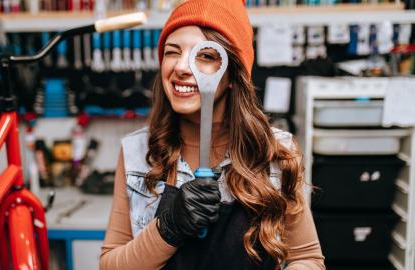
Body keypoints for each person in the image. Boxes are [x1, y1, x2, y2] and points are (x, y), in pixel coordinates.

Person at [100, 0, 325, 269]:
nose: (182, 67)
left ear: (231, 75)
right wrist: (168, 228)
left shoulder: (275, 151)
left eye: (205, 56)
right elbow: (110, 265)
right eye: (172, 52)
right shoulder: (138, 151)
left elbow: (307, 259)